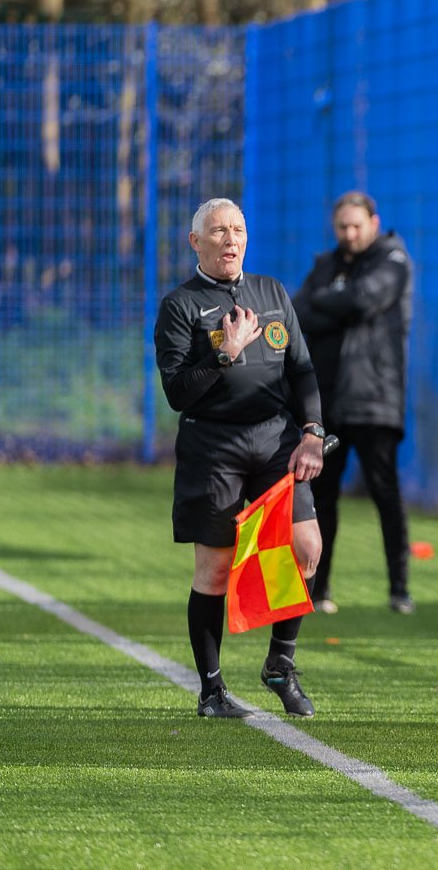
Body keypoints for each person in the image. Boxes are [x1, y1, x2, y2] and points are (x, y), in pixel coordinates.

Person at [154, 197, 328, 719]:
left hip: (276, 442)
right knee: (215, 568)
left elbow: (301, 369)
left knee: (305, 549)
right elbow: (178, 393)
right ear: (196, 242)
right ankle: (211, 690)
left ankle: (280, 663)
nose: (230, 240)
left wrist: (313, 432)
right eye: (218, 231)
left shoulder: (272, 292)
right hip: (213, 448)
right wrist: (224, 353)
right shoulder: (180, 306)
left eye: (238, 230)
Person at [293, 191, 416, 616]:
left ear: (374, 223)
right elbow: (297, 313)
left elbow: (364, 300)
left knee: (386, 493)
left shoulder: (393, 259)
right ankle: (317, 589)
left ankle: (399, 589)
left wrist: (329, 301)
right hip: (327, 403)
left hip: (375, 398)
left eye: (356, 226)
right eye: (342, 227)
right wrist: (338, 303)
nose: (349, 234)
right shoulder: (326, 264)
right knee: (320, 497)